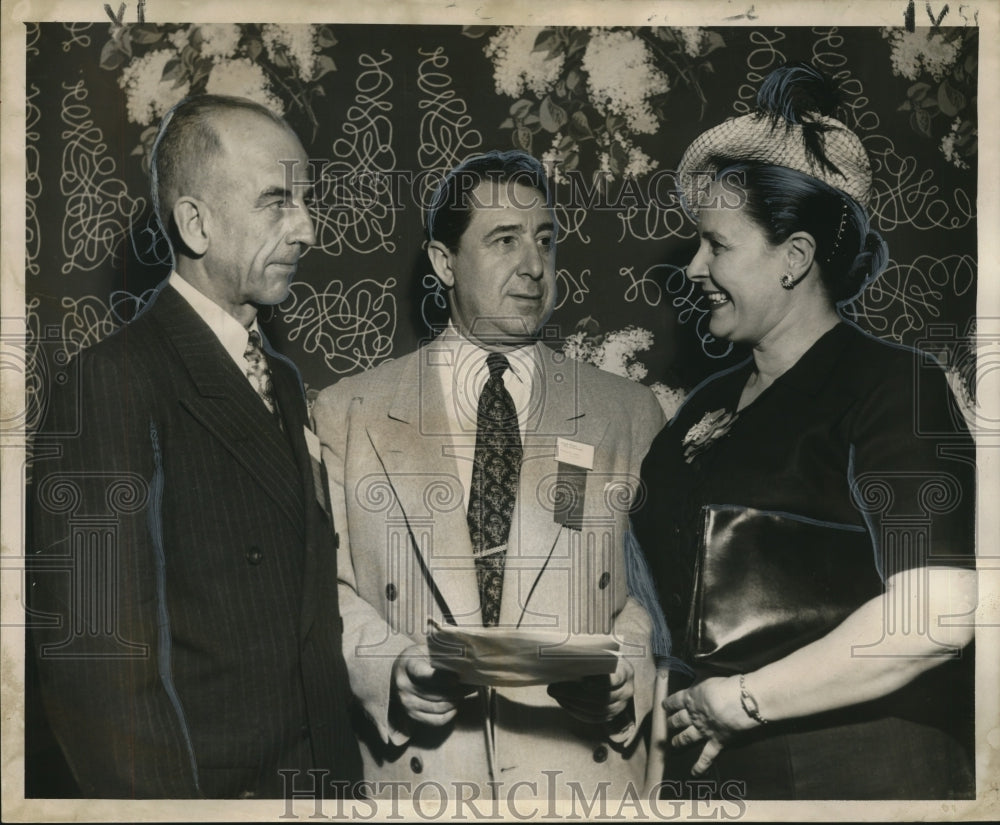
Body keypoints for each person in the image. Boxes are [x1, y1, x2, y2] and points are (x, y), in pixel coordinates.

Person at [632, 63, 977, 800]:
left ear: (794, 259)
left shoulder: (895, 386)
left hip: (861, 771)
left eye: (716, 246)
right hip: (711, 780)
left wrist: (744, 698)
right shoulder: (702, 407)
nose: (693, 268)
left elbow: (939, 612)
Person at [28, 95, 362, 798]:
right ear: (195, 222)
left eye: (304, 201)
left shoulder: (289, 383)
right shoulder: (111, 380)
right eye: (277, 201)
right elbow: (95, 661)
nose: (307, 229)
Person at [312, 150, 666, 798]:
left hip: (581, 782)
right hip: (425, 782)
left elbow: (659, 595)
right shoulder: (348, 413)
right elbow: (323, 590)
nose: (534, 265)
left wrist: (627, 671)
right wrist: (390, 670)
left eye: (544, 240)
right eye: (504, 240)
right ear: (444, 262)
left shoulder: (628, 412)